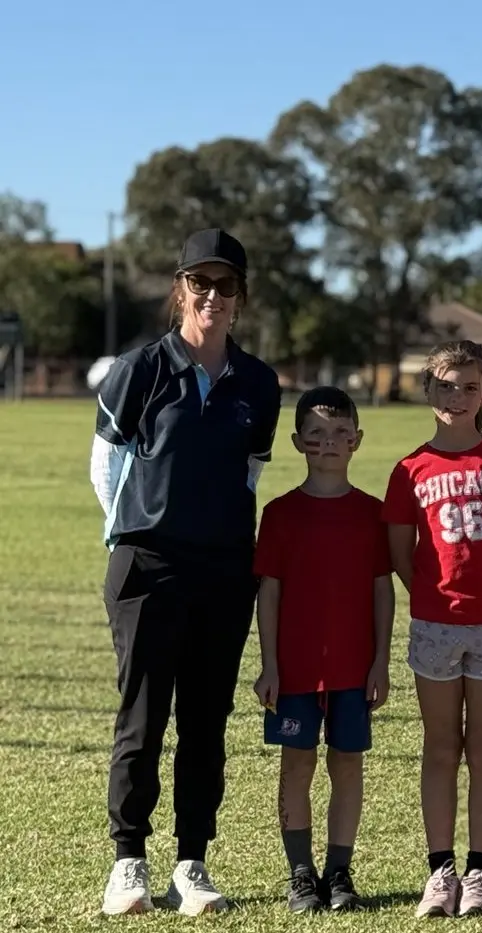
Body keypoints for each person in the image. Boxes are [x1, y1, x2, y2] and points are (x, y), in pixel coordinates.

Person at [91, 228, 281, 916]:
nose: (212, 296)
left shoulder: (259, 383)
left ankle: (191, 864)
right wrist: (134, 533)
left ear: (240, 296)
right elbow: (106, 465)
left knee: (206, 721)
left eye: (225, 285)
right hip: (147, 565)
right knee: (142, 716)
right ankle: (128, 862)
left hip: (224, 571)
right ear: (181, 290)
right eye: (200, 282)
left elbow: (249, 472)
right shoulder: (140, 368)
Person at [383, 341, 482, 918]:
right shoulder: (410, 469)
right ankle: (440, 870)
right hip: (435, 623)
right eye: (446, 385)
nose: (457, 397)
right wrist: (431, 595)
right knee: (441, 746)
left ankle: (479, 873)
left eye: (470, 387)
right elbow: (401, 551)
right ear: (428, 390)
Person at [251, 386, 395, 913]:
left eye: (339, 433)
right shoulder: (280, 513)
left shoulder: (372, 514)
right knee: (297, 765)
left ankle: (338, 871)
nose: (328, 442)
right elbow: (269, 593)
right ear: (297, 442)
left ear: (357, 440)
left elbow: (382, 591)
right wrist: (269, 665)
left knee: (347, 765)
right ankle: (300, 873)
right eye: (316, 433)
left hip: (355, 669)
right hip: (295, 671)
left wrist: (380, 662)